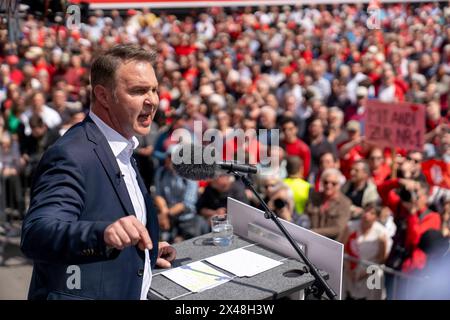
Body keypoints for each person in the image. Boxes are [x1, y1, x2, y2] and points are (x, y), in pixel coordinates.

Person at [21, 45, 176, 300]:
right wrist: (103, 233)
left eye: (154, 89)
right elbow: (37, 233)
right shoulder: (72, 154)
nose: (153, 100)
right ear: (103, 96)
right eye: (138, 91)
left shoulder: (123, 146)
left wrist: (142, 256)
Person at [342, 203, 389, 300]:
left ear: (376, 217)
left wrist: (365, 273)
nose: (367, 214)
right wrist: (349, 269)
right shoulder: (351, 226)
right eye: (366, 211)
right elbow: (343, 249)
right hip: (350, 266)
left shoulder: (381, 232)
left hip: (370, 268)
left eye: (371, 213)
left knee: (377, 275)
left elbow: (381, 260)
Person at [304, 168, 352, 241]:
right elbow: (305, 216)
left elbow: (338, 228)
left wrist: (314, 232)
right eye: (326, 182)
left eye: (333, 183)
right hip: (310, 240)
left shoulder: (345, 203)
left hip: (331, 244)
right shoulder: (314, 197)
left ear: (339, 185)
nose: (329, 186)